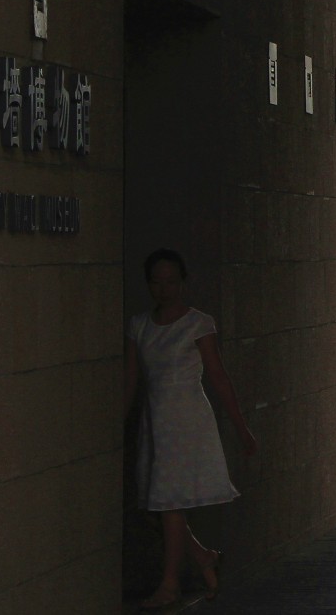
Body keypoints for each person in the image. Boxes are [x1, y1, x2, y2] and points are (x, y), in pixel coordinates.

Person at [124, 249, 256, 609]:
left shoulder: (198, 323)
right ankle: (202, 557)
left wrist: (241, 427)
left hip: (186, 422)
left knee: (168, 502)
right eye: (156, 281)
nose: (163, 289)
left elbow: (218, 376)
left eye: (170, 281)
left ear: (182, 282)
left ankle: (170, 584)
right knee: (160, 503)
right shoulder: (139, 325)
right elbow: (131, 382)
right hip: (155, 422)